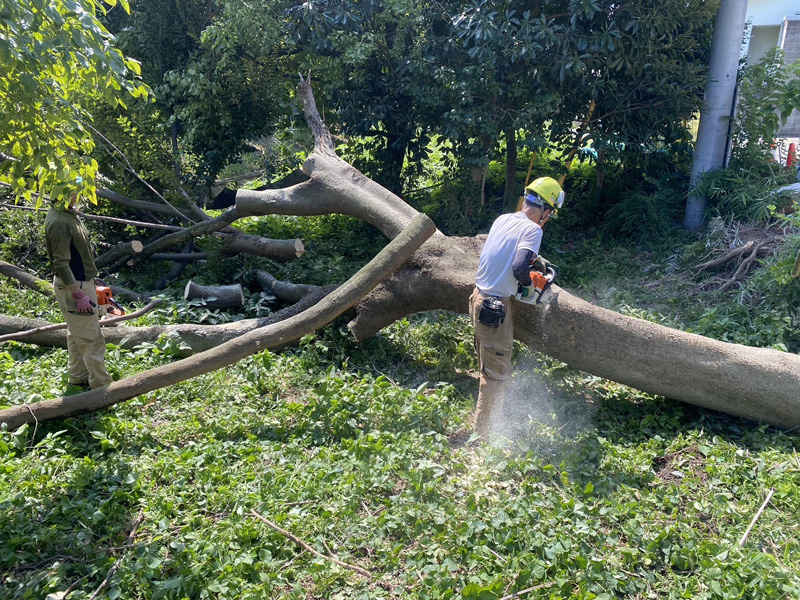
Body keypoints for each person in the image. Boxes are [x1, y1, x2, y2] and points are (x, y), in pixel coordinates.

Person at [469, 176, 564, 436]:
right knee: (495, 375)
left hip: (477, 298)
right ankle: (483, 436)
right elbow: (519, 266)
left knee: (486, 364)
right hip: (495, 308)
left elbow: (507, 253)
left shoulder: (504, 219)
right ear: (546, 211)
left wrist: (537, 261)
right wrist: (529, 284)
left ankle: (482, 425)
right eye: (550, 214)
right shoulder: (534, 230)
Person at [44, 183, 113, 390]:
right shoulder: (58, 222)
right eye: (74, 191)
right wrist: (79, 294)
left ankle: (78, 378)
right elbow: (61, 263)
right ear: (61, 194)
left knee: (76, 333)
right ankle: (102, 388)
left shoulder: (67, 214)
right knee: (91, 337)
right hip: (74, 286)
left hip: (82, 281)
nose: (78, 195)